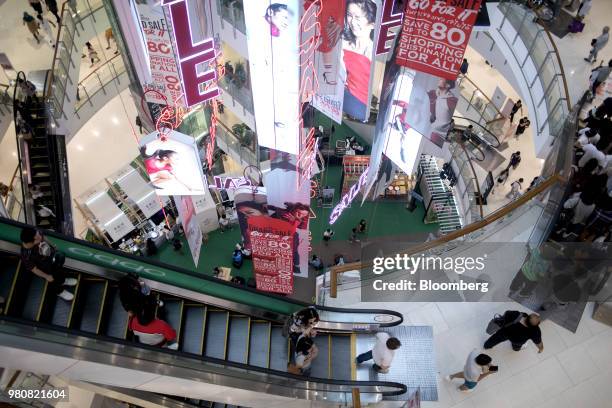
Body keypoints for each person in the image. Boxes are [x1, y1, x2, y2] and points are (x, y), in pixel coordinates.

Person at [342, 0, 377, 121]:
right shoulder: (343, 43)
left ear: (372, 23)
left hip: (359, 107)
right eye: (349, 15)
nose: (352, 22)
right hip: (338, 100)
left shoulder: (374, 53)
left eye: (358, 17)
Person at [20, 227, 76, 301]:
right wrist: (46, 276)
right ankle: (60, 292)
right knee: (52, 281)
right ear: (30, 242)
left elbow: (44, 237)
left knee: (59, 269)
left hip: (51, 258)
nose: (40, 238)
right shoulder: (26, 255)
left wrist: (53, 246)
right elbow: (34, 269)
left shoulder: (36, 233)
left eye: (38, 235)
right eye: (38, 239)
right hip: (44, 268)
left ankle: (63, 281)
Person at [428, 78, 458, 146]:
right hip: (434, 133)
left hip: (440, 135)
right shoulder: (434, 94)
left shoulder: (451, 100)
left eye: (442, 79)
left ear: (447, 85)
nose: (439, 79)